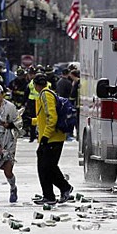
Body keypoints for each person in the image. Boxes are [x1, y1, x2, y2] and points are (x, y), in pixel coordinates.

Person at [32, 73, 73, 205]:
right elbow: (45, 118)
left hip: (52, 138)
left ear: (35, 85)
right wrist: (32, 121)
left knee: (47, 167)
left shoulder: (45, 94)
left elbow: (52, 117)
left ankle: (63, 188)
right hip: (52, 137)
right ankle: (49, 195)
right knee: (47, 167)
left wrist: (45, 137)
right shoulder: (47, 93)